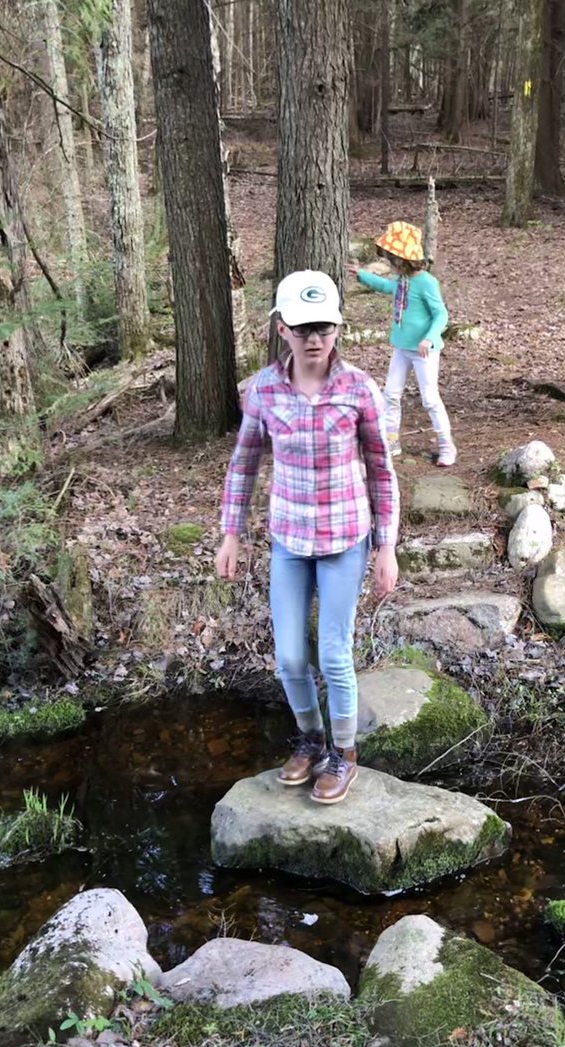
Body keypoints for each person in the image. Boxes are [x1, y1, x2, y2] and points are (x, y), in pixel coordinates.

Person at [215, 270, 400, 805]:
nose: (315, 338)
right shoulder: (264, 390)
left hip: (346, 539)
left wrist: (386, 547)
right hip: (289, 541)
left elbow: (382, 471)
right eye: (302, 328)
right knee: (291, 658)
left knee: (334, 654)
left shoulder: (360, 390)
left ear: (338, 328)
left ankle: (344, 754)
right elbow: (244, 463)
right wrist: (232, 533)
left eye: (324, 327)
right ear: (281, 329)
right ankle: (311, 741)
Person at [350, 220, 457, 467]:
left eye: (391, 258)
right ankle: (391, 441)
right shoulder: (403, 281)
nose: (389, 262)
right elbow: (388, 287)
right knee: (391, 394)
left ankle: (446, 446)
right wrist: (362, 276)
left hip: (424, 352)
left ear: (403, 258)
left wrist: (429, 338)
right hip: (402, 348)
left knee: (430, 398)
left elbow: (441, 314)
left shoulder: (426, 282)